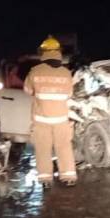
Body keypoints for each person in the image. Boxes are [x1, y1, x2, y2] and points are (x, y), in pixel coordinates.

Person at [24, 36, 77, 188]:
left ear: (43, 53)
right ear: (58, 52)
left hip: (41, 119)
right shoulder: (66, 73)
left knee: (42, 149)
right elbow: (69, 94)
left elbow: (28, 91)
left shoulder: (35, 71)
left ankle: (46, 180)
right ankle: (68, 177)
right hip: (61, 119)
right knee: (64, 147)